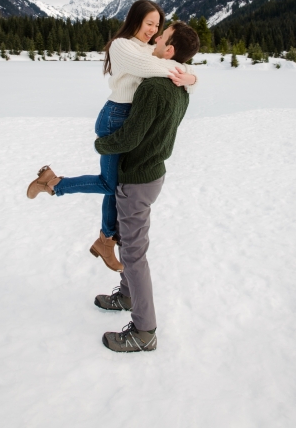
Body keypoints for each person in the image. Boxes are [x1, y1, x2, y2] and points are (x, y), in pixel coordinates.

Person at [25, 0, 196, 272]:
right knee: (110, 184)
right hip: (115, 117)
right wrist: (188, 76)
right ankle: (53, 184)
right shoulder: (122, 45)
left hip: (132, 119)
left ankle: (106, 238)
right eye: (149, 23)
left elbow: (171, 59)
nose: (153, 30)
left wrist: (190, 75)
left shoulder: (149, 48)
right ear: (135, 20)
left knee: (116, 184)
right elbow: (152, 68)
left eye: (158, 26)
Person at [91, 21, 200, 352]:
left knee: (134, 254)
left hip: (138, 177)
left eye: (162, 36)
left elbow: (131, 136)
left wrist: (102, 144)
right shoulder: (180, 84)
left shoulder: (154, 86)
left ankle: (144, 331)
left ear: (169, 50)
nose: (154, 37)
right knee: (129, 242)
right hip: (151, 174)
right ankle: (126, 294)